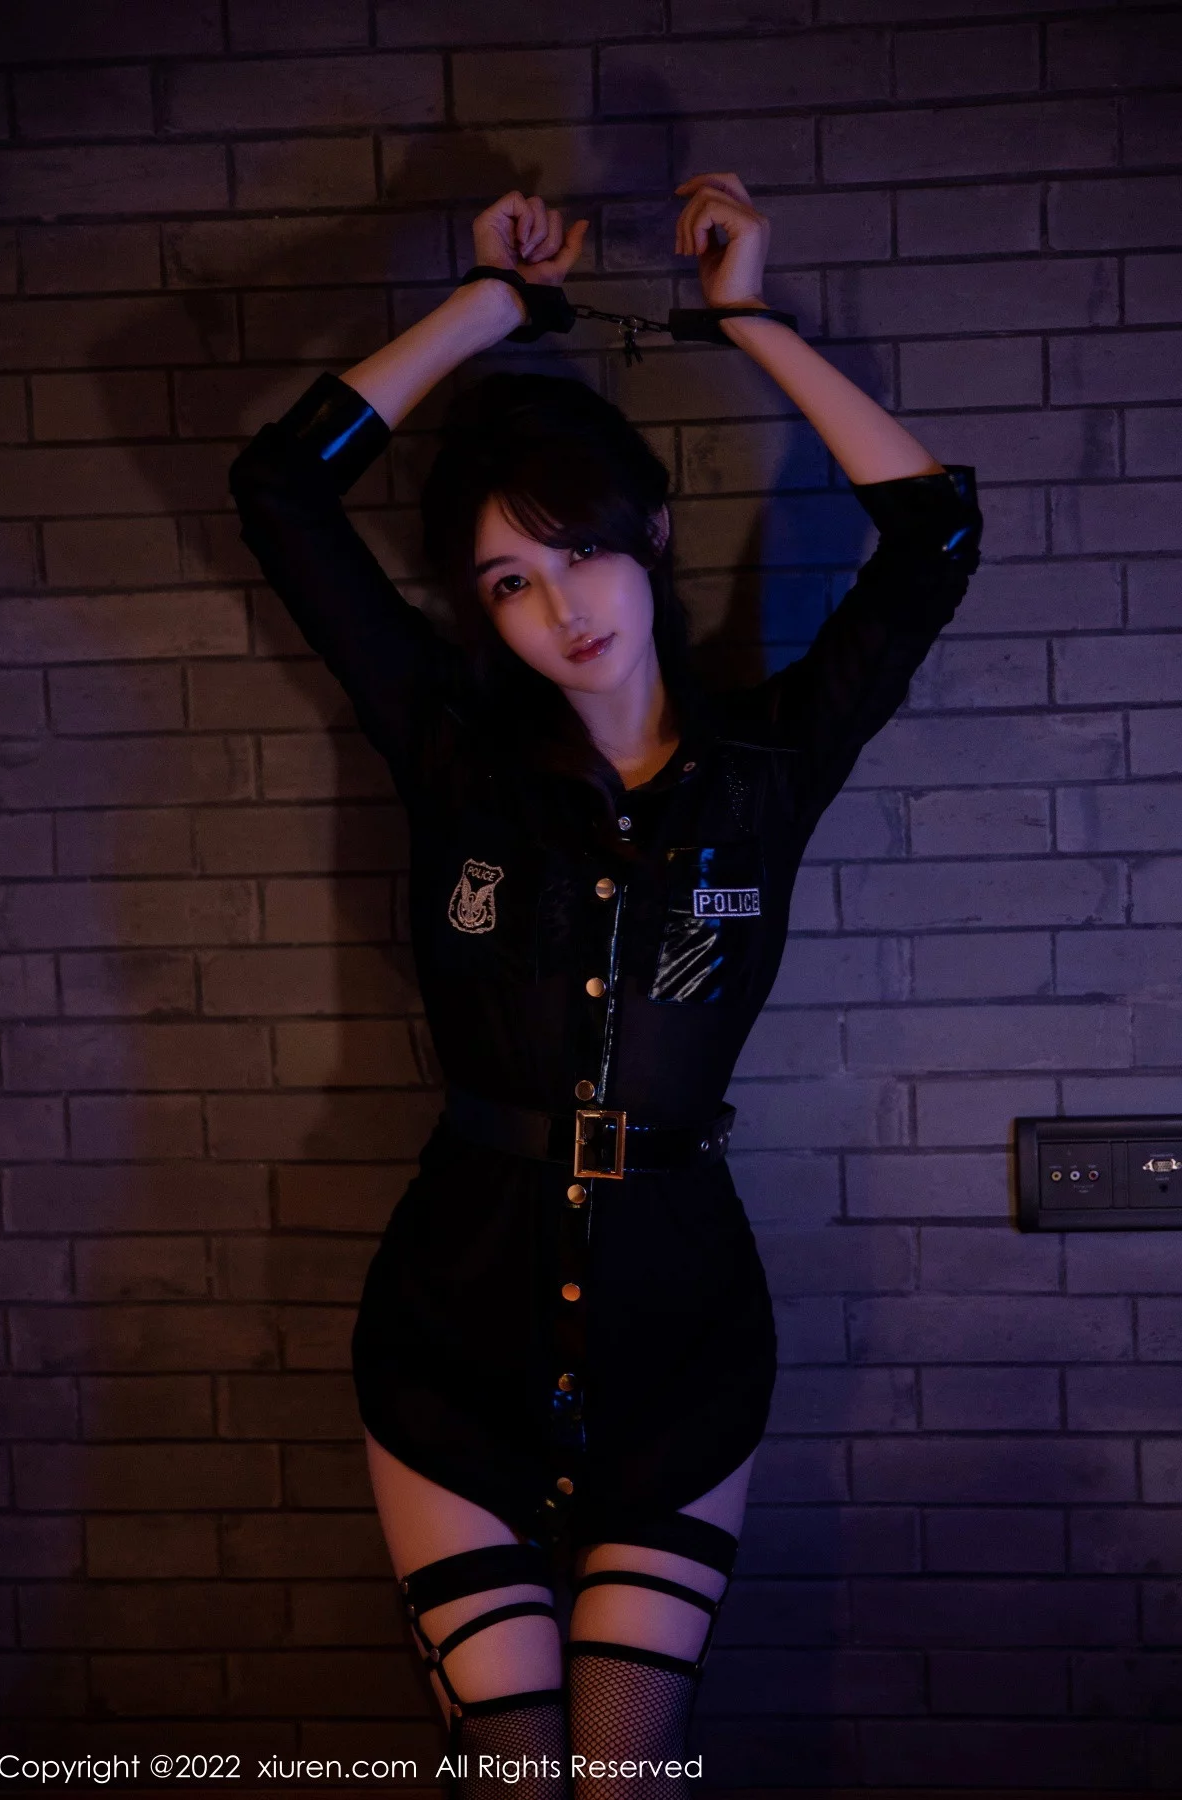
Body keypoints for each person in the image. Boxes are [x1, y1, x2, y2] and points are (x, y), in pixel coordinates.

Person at [228, 173, 983, 1799]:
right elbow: (279, 488)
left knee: (625, 1780)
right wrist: (494, 309)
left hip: (680, 1343)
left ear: (650, 537)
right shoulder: (453, 752)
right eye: (508, 581)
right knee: (512, 1775)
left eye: (576, 552)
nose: (558, 607)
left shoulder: (768, 770)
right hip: (450, 1334)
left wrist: (746, 317)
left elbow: (937, 534)